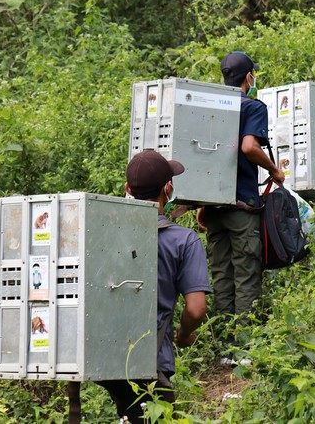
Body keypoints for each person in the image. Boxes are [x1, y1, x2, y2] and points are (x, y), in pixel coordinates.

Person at [97, 150, 211, 424]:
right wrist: (183, 335)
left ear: (128, 189)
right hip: (152, 358)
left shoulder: (103, 232)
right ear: (168, 189)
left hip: (107, 355)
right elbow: (196, 310)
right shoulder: (184, 241)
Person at [197, 51, 284, 362]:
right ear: (249, 77)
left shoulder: (209, 107)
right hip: (241, 206)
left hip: (213, 207)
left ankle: (224, 349)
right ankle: (245, 348)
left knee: (222, 275)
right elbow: (249, 147)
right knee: (246, 274)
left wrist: (200, 200)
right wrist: (274, 169)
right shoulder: (253, 107)